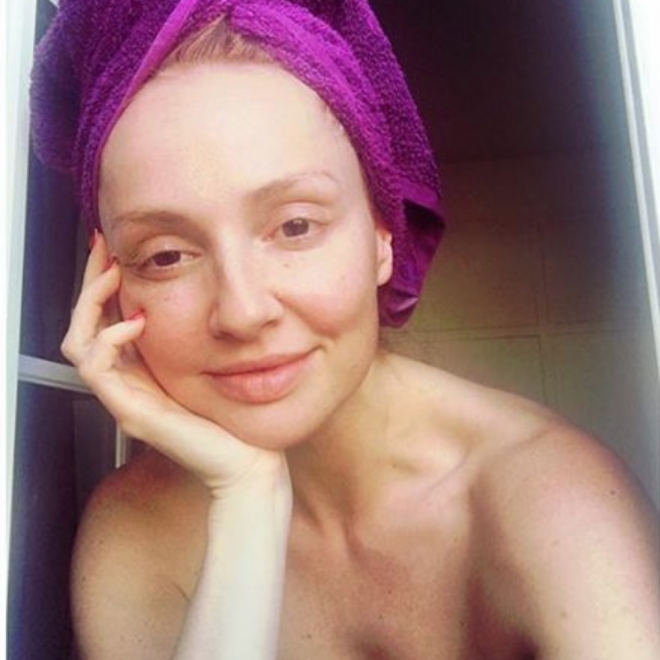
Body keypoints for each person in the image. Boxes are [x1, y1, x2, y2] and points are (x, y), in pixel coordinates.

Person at [30, 1, 659, 659]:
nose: (242, 311)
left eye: (296, 226)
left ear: (383, 235)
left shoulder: (553, 502)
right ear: (112, 285)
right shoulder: (133, 532)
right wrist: (248, 501)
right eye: (165, 256)